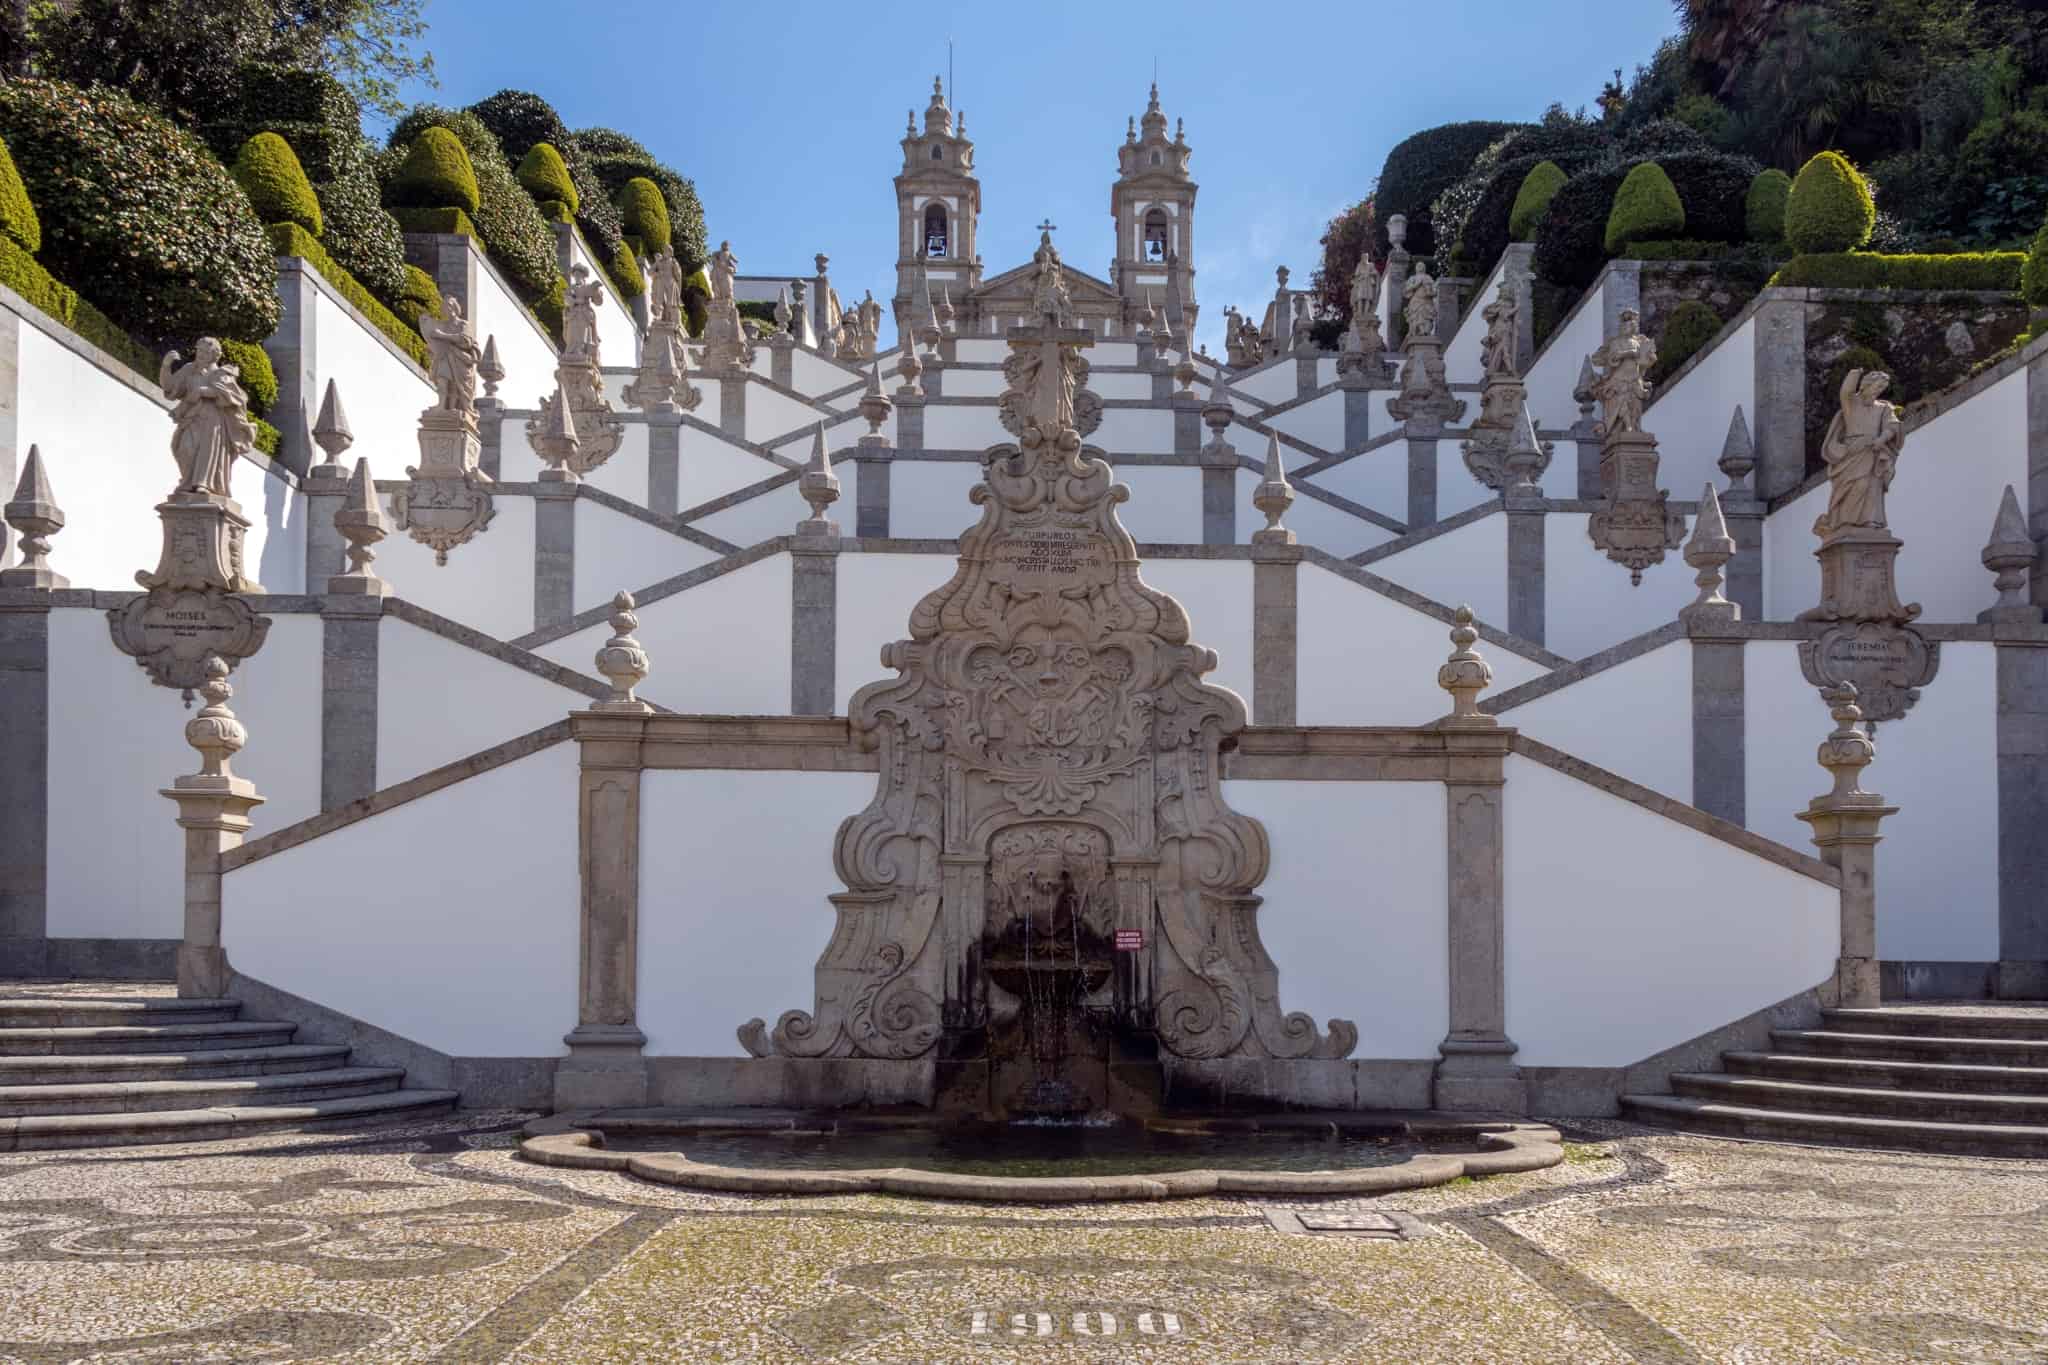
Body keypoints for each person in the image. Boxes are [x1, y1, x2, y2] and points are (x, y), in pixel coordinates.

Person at [160, 338, 255, 496]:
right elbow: (169, 387)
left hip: (213, 421)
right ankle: (187, 482)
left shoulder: (222, 373)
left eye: (206, 352)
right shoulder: (189, 369)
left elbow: (233, 397)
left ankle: (204, 484)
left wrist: (204, 391)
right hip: (191, 418)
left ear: (214, 355)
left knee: (207, 453)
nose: (201, 354)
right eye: (199, 350)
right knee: (184, 449)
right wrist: (166, 366)